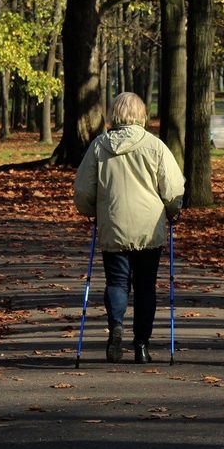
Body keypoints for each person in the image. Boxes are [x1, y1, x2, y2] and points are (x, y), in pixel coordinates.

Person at [74, 92, 184, 364]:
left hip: (114, 222)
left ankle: (116, 327)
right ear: (142, 114)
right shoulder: (155, 146)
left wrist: (90, 211)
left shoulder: (100, 146)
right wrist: (174, 211)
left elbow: (84, 189)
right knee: (145, 286)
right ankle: (142, 345)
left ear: (114, 114)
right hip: (149, 228)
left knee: (117, 282)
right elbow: (172, 188)